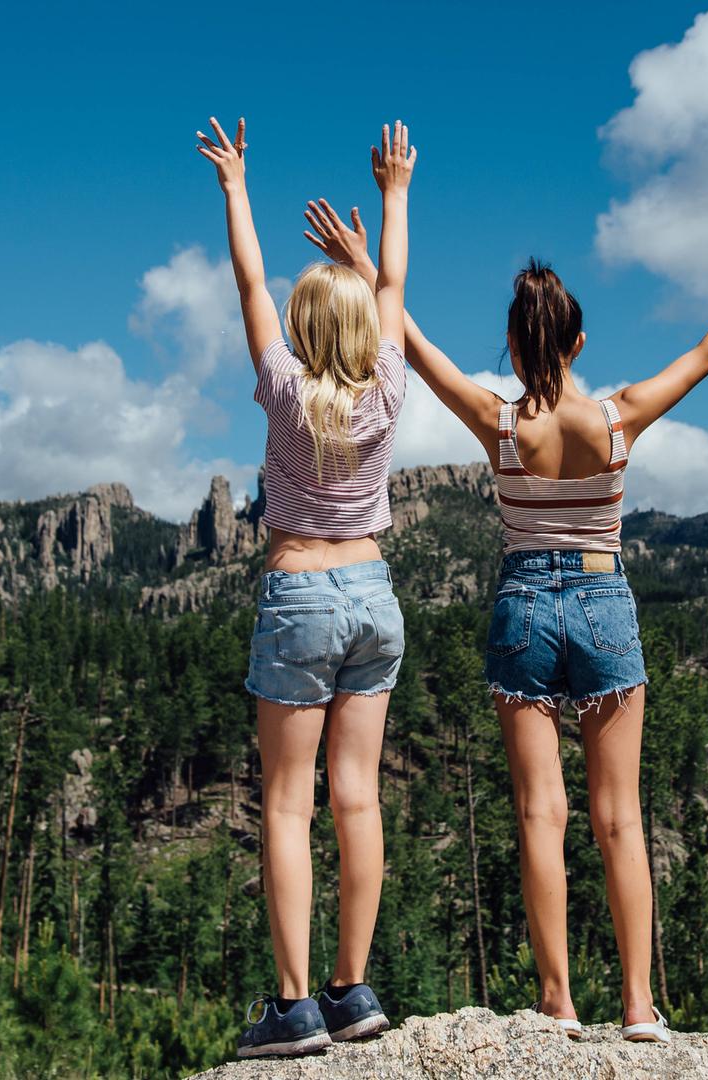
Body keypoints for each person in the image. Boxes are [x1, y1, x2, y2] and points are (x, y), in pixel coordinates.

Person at [303, 198, 708, 1043]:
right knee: (620, 818)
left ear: (513, 345)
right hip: (604, 600)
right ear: (577, 343)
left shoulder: (498, 422)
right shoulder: (620, 417)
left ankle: (558, 1003)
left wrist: (369, 271)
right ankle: (639, 1006)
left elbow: (417, 348)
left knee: (541, 814)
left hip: (523, 608)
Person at [195, 118, 417, 1058]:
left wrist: (237, 189)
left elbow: (249, 280)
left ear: (301, 330)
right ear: (366, 330)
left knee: (288, 804)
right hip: (375, 595)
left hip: (300, 597)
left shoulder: (285, 390)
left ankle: (292, 1009)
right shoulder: (393, 387)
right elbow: (395, 285)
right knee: (356, 800)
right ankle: (351, 991)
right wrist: (395, 194)